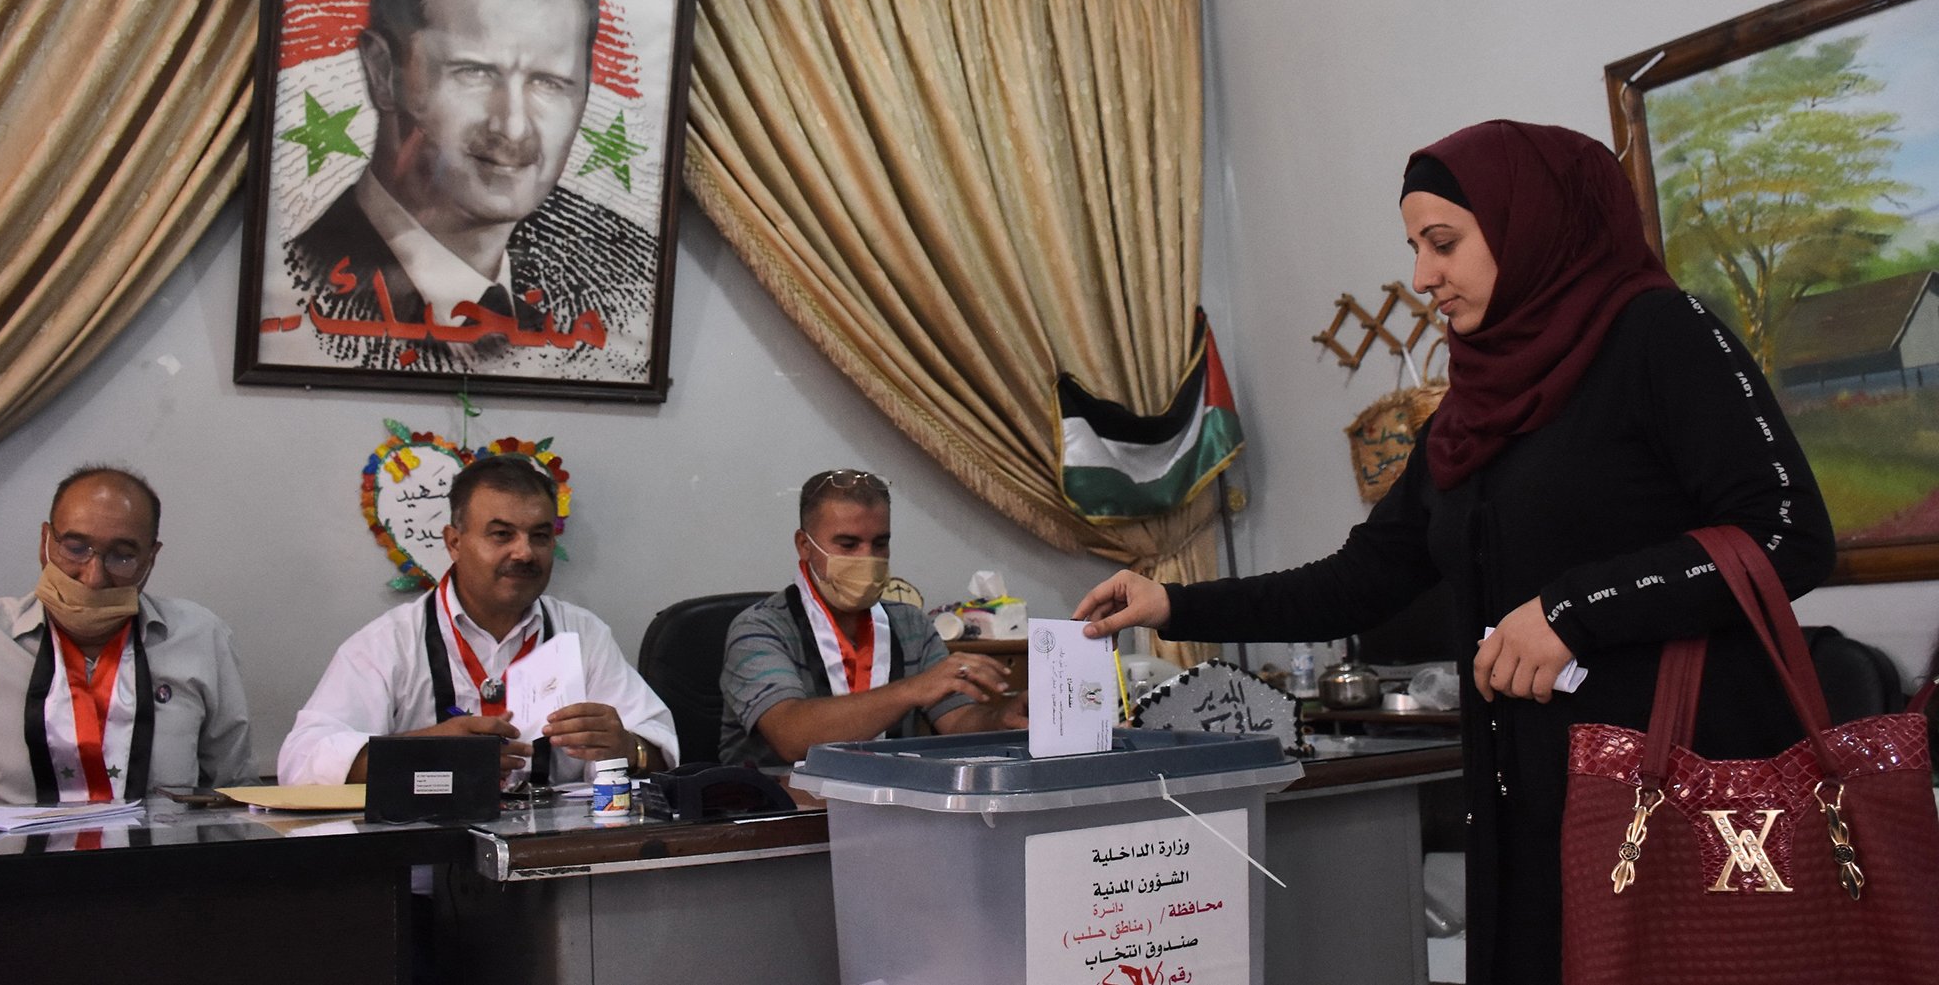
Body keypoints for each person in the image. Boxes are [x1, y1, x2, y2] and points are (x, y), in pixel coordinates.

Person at [1075, 120, 1835, 985]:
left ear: (1531, 225)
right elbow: (1360, 580)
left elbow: (1787, 531)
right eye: (1415, 247)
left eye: (1445, 243)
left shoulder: (1662, 335)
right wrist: (1174, 602)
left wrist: (1572, 611)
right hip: (1529, 815)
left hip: (1681, 805)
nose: (1422, 276)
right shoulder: (1471, 416)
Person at [283, 0, 659, 371]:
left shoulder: (624, 270)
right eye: (476, 73)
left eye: (549, 83)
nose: (514, 126)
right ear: (383, 73)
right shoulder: (296, 281)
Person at [279, 455, 677, 785]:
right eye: (502, 535)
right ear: (454, 542)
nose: (524, 553)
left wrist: (628, 747)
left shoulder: (582, 634)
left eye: (539, 536)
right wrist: (419, 751)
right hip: (421, 864)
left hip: (554, 860)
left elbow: (661, 751)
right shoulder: (390, 642)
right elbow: (299, 763)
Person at [0, 467, 254, 805]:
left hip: (158, 856)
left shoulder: (200, 638)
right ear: (45, 541)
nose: (93, 577)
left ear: (151, 557)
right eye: (75, 548)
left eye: (122, 556)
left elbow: (234, 792)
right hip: (2, 858)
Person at [718, 468, 1027, 765]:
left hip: (888, 804)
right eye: (848, 544)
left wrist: (1000, 719)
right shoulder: (758, 628)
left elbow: (957, 721)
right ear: (804, 546)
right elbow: (791, 736)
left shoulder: (911, 624)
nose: (868, 558)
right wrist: (911, 690)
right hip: (784, 812)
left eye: (880, 543)